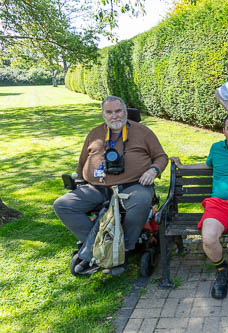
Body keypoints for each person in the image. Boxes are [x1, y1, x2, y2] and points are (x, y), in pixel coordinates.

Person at [54, 96, 168, 275]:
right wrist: (79, 180)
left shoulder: (143, 132)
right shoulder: (94, 134)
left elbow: (161, 157)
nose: (115, 116)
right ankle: (97, 247)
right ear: (103, 114)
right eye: (109, 112)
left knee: (141, 201)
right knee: (62, 205)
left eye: (118, 111)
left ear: (125, 111)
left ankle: (124, 249)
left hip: (132, 186)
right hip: (97, 188)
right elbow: (83, 161)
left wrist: (153, 170)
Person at [171, 113, 228, 299]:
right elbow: (206, 166)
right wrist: (183, 166)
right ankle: (221, 270)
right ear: (224, 131)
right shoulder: (216, 149)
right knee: (209, 238)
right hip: (217, 205)